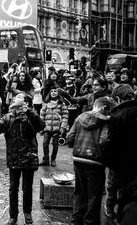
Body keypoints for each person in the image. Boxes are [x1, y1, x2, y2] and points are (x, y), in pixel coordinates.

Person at [0, 93, 45, 225]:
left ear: (26, 103)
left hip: (28, 158)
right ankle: (13, 216)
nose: (16, 100)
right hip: (14, 158)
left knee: (27, 188)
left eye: (19, 98)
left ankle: (27, 213)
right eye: (15, 99)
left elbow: (41, 126)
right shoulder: (8, 117)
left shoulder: (30, 116)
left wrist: (29, 112)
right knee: (13, 189)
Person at [66, 97, 115, 225]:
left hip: (78, 159)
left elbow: (69, 137)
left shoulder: (80, 117)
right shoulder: (106, 122)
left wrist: (77, 146)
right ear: (105, 108)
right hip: (95, 162)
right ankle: (90, 222)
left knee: (79, 191)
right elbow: (104, 141)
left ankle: (76, 220)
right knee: (94, 195)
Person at [102, 84, 137, 225]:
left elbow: (111, 144)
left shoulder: (117, 116)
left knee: (114, 190)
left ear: (117, 98)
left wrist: (109, 163)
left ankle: (111, 213)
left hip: (120, 165)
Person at [39, 89, 69, 167]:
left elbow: (65, 116)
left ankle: (53, 159)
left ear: (58, 93)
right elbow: (42, 116)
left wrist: (63, 127)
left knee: (55, 145)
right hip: (47, 127)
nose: (53, 93)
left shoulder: (61, 104)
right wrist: (41, 127)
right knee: (45, 143)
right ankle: (45, 159)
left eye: (55, 91)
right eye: (51, 91)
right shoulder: (45, 103)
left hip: (57, 128)